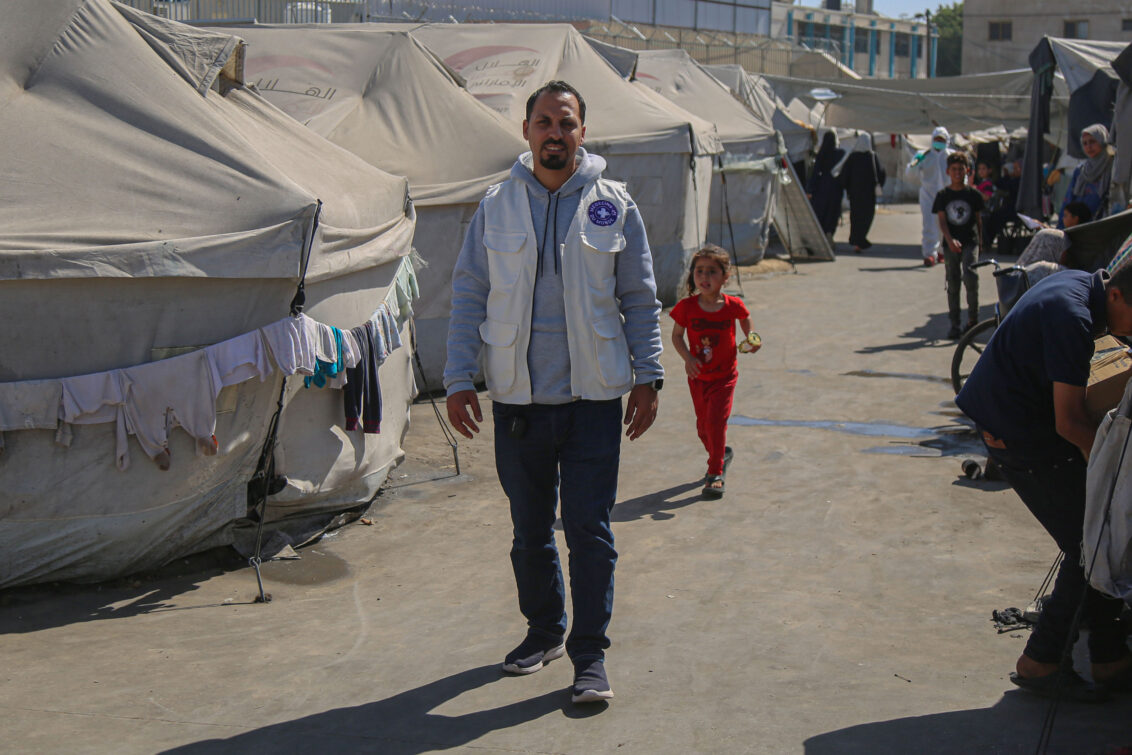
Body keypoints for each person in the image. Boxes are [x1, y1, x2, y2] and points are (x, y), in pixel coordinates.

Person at [443, 80, 664, 705]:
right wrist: (459, 377)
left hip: (593, 403)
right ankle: (544, 632)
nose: (555, 134)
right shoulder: (497, 205)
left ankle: (590, 659)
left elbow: (640, 299)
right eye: (544, 122)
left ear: (582, 133)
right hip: (519, 403)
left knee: (590, 532)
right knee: (529, 530)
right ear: (526, 132)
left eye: (566, 123)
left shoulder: (613, 204)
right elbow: (468, 295)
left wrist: (648, 376)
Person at [955, 262, 1132, 702]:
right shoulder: (1071, 317)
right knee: (1090, 547)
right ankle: (1040, 662)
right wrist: (1113, 469)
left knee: (1103, 538)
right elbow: (1070, 423)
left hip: (1022, 418)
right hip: (1019, 437)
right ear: (1115, 297)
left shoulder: (1080, 285)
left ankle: (1110, 658)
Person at [668, 245, 755, 499]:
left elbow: (745, 317)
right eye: (699, 271)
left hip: (725, 377)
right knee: (703, 427)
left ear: (725, 277)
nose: (704, 277)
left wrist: (751, 338)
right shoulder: (687, 307)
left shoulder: (731, 305)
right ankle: (720, 452)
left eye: (712, 272)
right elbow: (676, 336)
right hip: (697, 378)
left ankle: (715, 472)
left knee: (716, 422)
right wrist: (687, 358)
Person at [932, 151, 984, 339]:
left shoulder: (973, 195)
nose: (957, 172)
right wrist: (949, 239)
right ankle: (954, 323)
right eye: (954, 169)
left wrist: (981, 243)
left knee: (970, 276)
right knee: (953, 283)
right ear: (948, 171)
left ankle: (973, 320)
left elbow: (978, 220)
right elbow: (942, 221)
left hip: (970, 241)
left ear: (967, 171)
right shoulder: (943, 196)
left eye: (961, 169)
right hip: (950, 244)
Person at [834, 132, 886, 253]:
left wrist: (847, 188)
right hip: (868, 196)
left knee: (856, 218)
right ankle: (860, 240)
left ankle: (857, 240)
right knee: (867, 217)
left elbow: (844, 176)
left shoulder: (853, 157)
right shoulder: (872, 157)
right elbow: (881, 173)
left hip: (855, 195)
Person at [908, 126, 952, 267]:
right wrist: (915, 164)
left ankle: (942, 252)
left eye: (942, 139)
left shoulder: (951, 156)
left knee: (945, 225)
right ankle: (929, 254)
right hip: (928, 196)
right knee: (929, 225)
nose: (939, 142)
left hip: (947, 196)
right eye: (937, 139)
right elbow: (910, 174)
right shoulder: (924, 155)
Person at [1059, 124, 1114, 227]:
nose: (1088, 147)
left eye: (1092, 142)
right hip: (1080, 224)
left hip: (1104, 224)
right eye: (1085, 143)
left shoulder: (1113, 167)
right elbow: (1069, 200)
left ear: (1102, 141)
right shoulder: (1081, 171)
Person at [806, 131, 845, 243]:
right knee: (833, 212)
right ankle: (830, 233)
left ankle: (821, 236)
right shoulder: (840, 154)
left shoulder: (821, 154)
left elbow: (815, 172)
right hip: (836, 188)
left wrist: (810, 189)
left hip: (821, 188)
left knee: (821, 212)